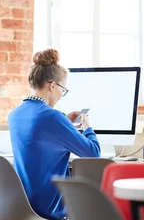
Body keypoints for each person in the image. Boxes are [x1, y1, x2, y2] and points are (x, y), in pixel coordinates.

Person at [8, 48, 101, 220]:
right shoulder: (52, 117)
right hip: (48, 209)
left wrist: (64, 120)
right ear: (52, 85)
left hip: (20, 204)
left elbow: (40, 135)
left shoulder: (15, 114)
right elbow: (93, 153)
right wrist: (87, 127)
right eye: (62, 90)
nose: (60, 96)